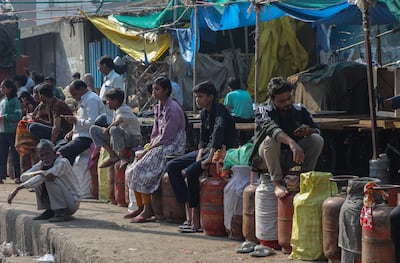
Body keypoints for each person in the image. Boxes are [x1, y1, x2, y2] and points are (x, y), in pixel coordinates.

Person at [166, 81, 236, 232]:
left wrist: (208, 159)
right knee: (172, 166)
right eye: (196, 97)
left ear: (211, 97)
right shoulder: (204, 113)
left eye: (200, 97)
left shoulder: (220, 112)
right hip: (206, 151)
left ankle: (196, 221)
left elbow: (218, 136)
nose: (197, 100)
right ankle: (188, 212)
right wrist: (199, 156)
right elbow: (204, 139)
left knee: (191, 172)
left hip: (222, 151)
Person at [249, 76, 324, 199]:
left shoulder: (300, 109)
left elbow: (316, 129)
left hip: (290, 156)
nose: (287, 103)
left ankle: (303, 180)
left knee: (317, 139)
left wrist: (308, 131)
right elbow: (272, 129)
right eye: (282, 101)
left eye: (289, 98)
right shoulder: (262, 110)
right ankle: (277, 183)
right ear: (272, 100)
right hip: (265, 159)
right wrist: (292, 143)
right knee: (271, 140)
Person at [125, 76, 186, 223]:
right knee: (131, 168)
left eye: (157, 89)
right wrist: (149, 146)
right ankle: (140, 207)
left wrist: (148, 151)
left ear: (166, 90)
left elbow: (167, 136)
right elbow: (155, 132)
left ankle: (148, 210)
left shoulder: (173, 108)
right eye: (153, 89)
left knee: (141, 169)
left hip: (172, 145)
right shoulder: (158, 107)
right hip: (159, 142)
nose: (154, 92)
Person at [7, 139, 81, 222]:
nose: (46, 157)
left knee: (49, 179)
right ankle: (50, 210)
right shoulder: (42, 164)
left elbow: (45, 176)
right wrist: (40, 172)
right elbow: (23, 177)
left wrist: (18, 188)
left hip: (72, 203)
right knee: (40, 178)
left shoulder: (62, 162)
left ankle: (61, 212)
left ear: (54, 153)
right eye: (42, 155)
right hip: (62, 198)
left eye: (48, 154)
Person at [90, 88, 142, 168]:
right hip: (121, 138)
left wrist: (107, 130)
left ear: (115, 101)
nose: (107, 103)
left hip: (133, 139)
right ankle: (112, 155)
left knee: (113, 129)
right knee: (93, 129)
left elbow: (118, 121)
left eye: (108, 101)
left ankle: (122, 156)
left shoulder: (123, 109)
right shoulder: (116, 110)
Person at [57, 80, 105, 165]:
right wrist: (72, 131)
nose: (74, 97)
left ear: (82, 89)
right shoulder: (84, 99)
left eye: (74, 94)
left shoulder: (91, 99)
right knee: (55, 149)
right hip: (79, 135)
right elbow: (82, 118)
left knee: (61, 152)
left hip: (87, 137)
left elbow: (93, 123)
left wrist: (76, 121)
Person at [0, 80, 22, 184]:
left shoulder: (15, 101)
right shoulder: (3, 101)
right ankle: (1, 175)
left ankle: (18, 175)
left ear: (10, 89)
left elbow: (18, 116)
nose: (2, 90)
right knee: (2, 154)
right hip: (2, 131)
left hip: (12, 131)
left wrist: (5, 117)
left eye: (3, 88)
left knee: (14, 154)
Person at [98, 55, 124, 125]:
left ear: (104, 65)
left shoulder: (116, 78)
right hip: (104, 112)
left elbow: (118, 97)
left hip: (111, 115)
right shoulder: (106, 79)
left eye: (99, 66)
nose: (98, 69)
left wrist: (105, 101)